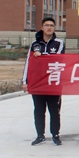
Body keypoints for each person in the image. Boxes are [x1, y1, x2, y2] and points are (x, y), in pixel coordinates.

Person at [22, 17, 65, 146]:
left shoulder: (59, 43)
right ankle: (40, 135)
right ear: (42, 27)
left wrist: (41, 56)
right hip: (38, 83)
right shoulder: (35, 44)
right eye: (46, 25)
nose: (49, 27)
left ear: (54, 28)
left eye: (51, 25)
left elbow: (57, 58)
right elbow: (29, 62)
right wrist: (25, 81)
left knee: (54, 110)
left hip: (53, 83)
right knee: (39, 110)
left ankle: (55, 135)